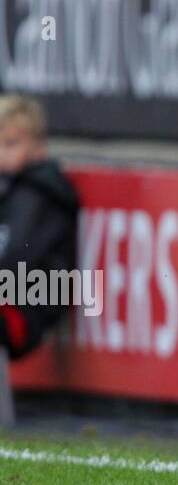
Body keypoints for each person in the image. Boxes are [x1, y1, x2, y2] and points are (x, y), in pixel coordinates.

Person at [0, 97, 79, 363]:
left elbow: (17, 262)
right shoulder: (8, 189)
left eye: (11, 144)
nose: (2, 153)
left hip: (25, 308)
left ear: (38, 148)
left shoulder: (42, 195)